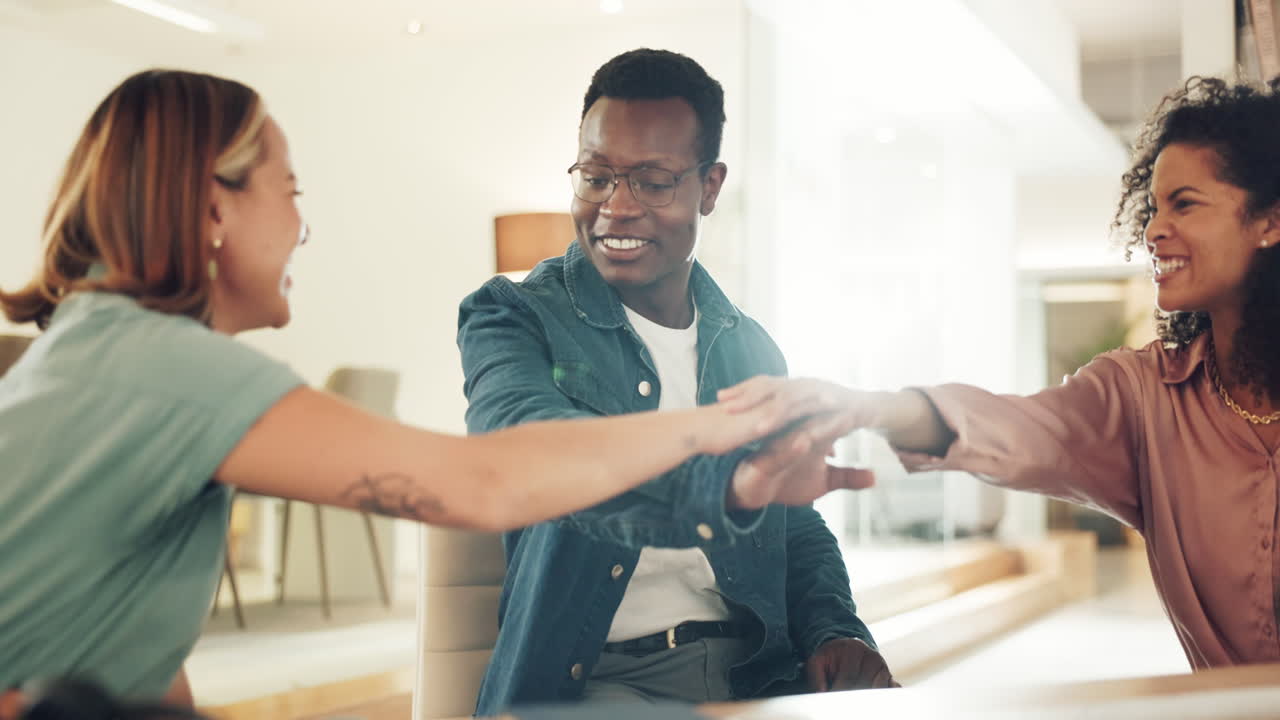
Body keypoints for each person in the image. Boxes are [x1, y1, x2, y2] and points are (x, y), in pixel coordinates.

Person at [0, 69, 848, 710]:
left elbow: (135, 652)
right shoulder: (172, 368)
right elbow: (485, 479)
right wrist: (720, 439)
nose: (303, 225)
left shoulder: (102, 346)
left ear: (709, 185)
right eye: (289, 192)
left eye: (653, 181)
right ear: (212, 211)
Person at [720, 75, 1280, 671]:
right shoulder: (1142, 398)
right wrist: (873, 408)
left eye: (1185, 203)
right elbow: (1015, 429)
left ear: (1269, 220)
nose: (1153, 229)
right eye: (1155, 206)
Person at [458, 49, 894, 715]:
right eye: (596, 176)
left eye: (653, 182)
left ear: (709, 187)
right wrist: (722, 486)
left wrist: (836, 628)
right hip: (593, 681)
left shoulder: (749, 345)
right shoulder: (513, 315)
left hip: (759, 671)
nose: (616, 207)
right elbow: (527, 445)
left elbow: (791, 525)